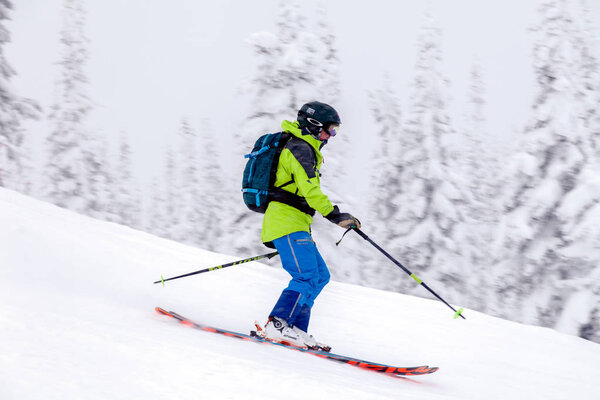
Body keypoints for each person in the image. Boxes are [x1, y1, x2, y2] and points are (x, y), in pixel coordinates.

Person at [258, 101, 361, 350]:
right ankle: (278, 324)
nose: (331, 135)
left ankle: (295, 328)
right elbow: (309, 189)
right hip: (286, 222)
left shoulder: (306, 149)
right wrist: (335, 215)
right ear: (314, 125)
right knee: (305, 276)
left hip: (296, 223)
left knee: (320, 276)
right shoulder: (299, 148)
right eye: (330, 129)